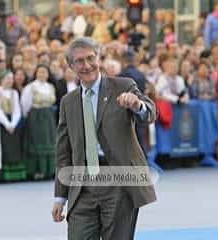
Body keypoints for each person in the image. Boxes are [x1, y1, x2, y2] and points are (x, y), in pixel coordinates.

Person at [52, 37, 156, 240]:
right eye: (80, 61)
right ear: (71, 67)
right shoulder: (68, 102)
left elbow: (150, 112)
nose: (87, 65)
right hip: (82, 186)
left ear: (99, 58)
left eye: (91, 58)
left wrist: (137, 106)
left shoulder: (123, 86)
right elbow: (63, 153)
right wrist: (59, 197)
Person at [21, 64, 57, 180]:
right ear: (36, 73)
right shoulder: (31, 87)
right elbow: (25, 104)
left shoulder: (50, 86)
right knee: (37, 143)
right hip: (35, 116)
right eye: (40, 72)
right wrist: (29, 116)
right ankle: (37, 171)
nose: (42, 74)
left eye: (45, 72)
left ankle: (49, 170)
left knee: (50, 142)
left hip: (48, 117)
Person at [0, 71, 25, 181]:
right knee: (5, 147)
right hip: (2, 123)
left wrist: (13, 123)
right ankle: (4, 175)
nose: (10, 81)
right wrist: (7, 124)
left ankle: (16, 175)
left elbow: (17, 110)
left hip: (13, 122)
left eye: (11, 78)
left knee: (14, 147)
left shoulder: (14, 93)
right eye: (7, 78)